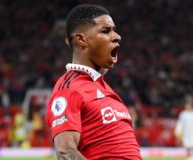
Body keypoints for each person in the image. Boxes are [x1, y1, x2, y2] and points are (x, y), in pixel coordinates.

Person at [45, 4, 142, 160]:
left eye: (114, 30)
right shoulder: (69, 89)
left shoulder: (102, 87)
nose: (117, 36)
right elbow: (65, 152)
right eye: (105, 31)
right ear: (82, 39)